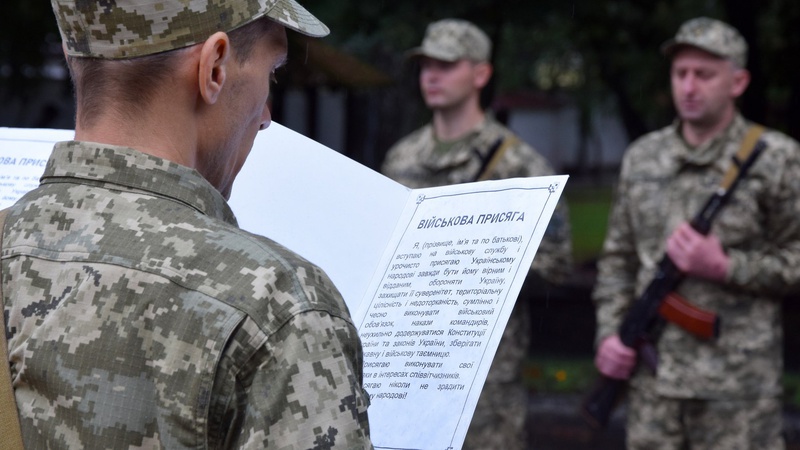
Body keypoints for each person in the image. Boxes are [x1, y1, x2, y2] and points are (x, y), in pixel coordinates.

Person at [2, 0, 373, 448]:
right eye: (271, 74)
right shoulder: (276, 306)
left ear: (70, 51)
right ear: (214, 67)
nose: (266, 115)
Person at [593, 16, 800, 449]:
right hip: (654, 388)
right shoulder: (643, 157)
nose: (688, 86)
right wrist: (610, 334)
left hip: (737, 394)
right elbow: (617, 260)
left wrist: (726, 266)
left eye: (704, 75)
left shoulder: (777, 158)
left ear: (738, 82)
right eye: (680, 73)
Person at [381, 18, 573, 450]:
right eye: (426, 64)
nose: (431, 75)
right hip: (405, 366)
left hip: (482, 377)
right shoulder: (400, 159)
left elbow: (557, 265)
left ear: (481, 74)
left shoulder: (521, 167)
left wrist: (476, 261)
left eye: (447, 65)